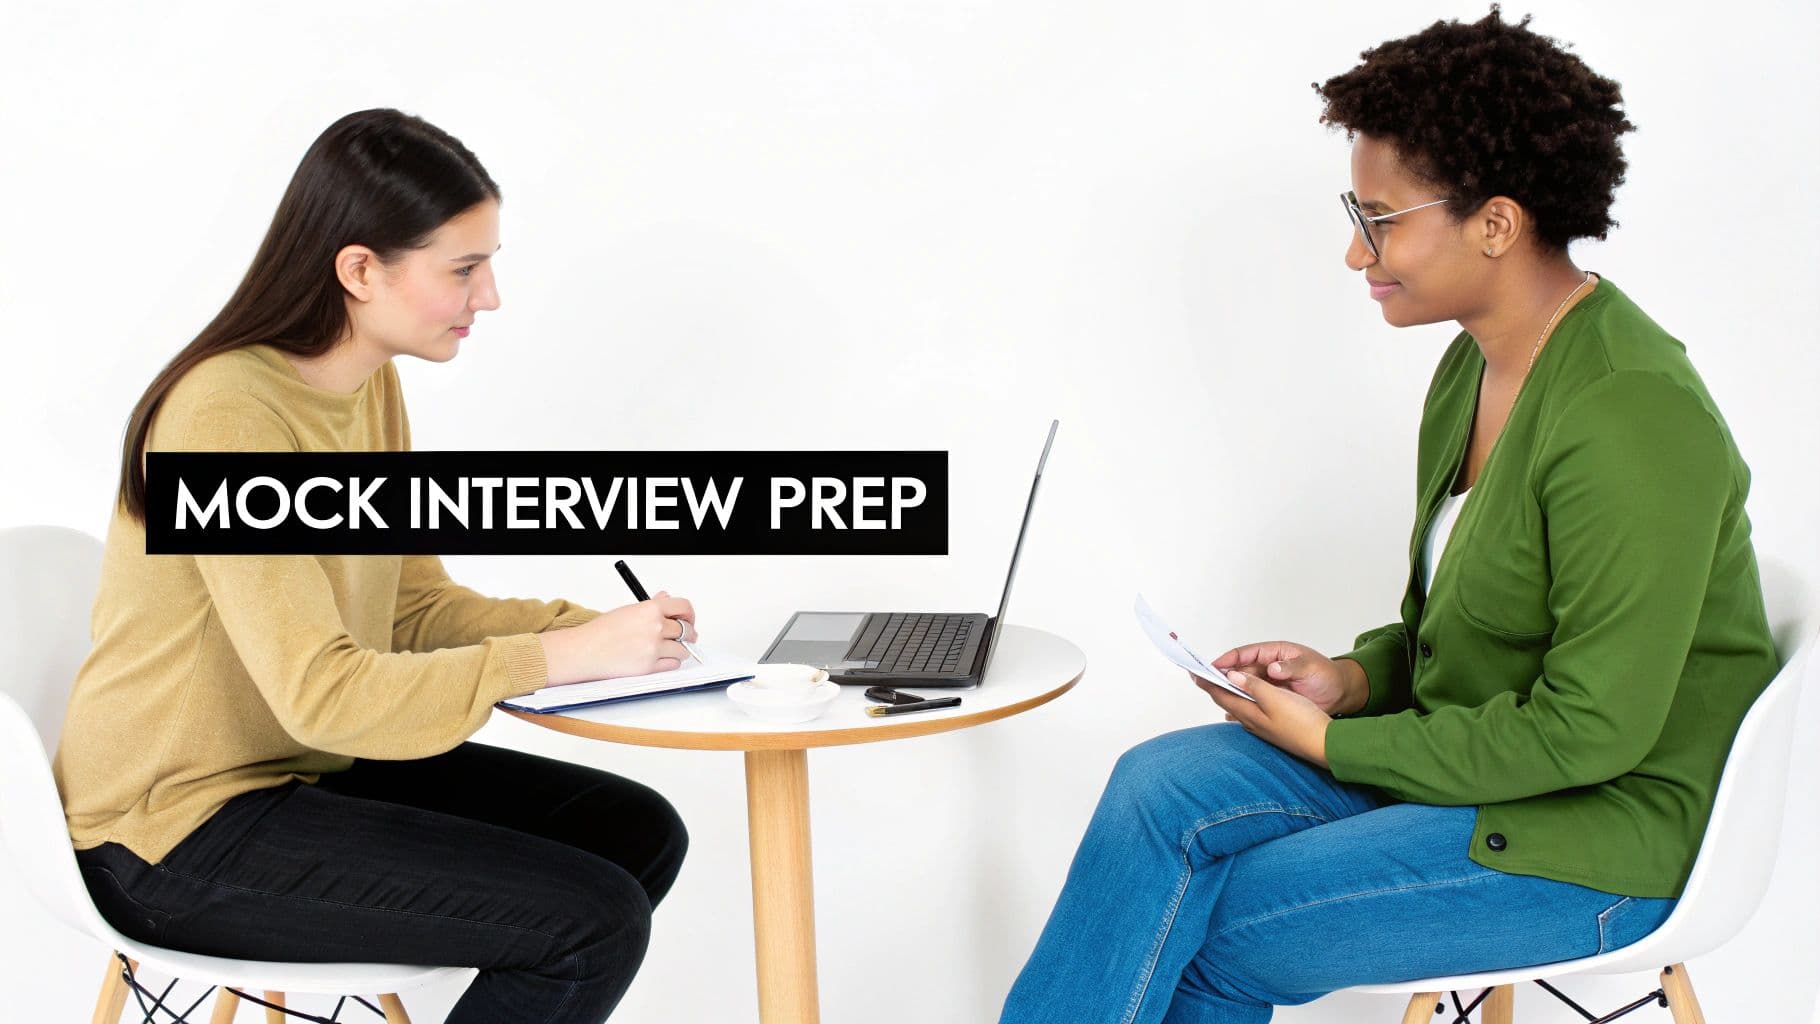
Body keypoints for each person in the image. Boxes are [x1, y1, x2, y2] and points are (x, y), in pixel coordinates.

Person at [1000, 10, 1778, 1023]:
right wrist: (1354, 679)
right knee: (1156, 791)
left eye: (1378, 219)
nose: (1352, 251)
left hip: (1593, 836)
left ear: (1494, 223)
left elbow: (1590, 730)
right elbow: (1465, 631)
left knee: (1218, 925)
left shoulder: (1631, 414)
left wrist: (1334, 746)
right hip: (1479, 764)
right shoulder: (1473, 365)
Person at [54, 108, 695, 1023]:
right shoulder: (225, 419)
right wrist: (558, 661)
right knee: (592, 923)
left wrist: (577, 630)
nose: (492, 297)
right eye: (464, 269)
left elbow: (408, 609)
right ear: (359, 269)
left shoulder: (364, 386)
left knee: (635, 834)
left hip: (295, 767)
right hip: (173, 831)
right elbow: (322, 691)